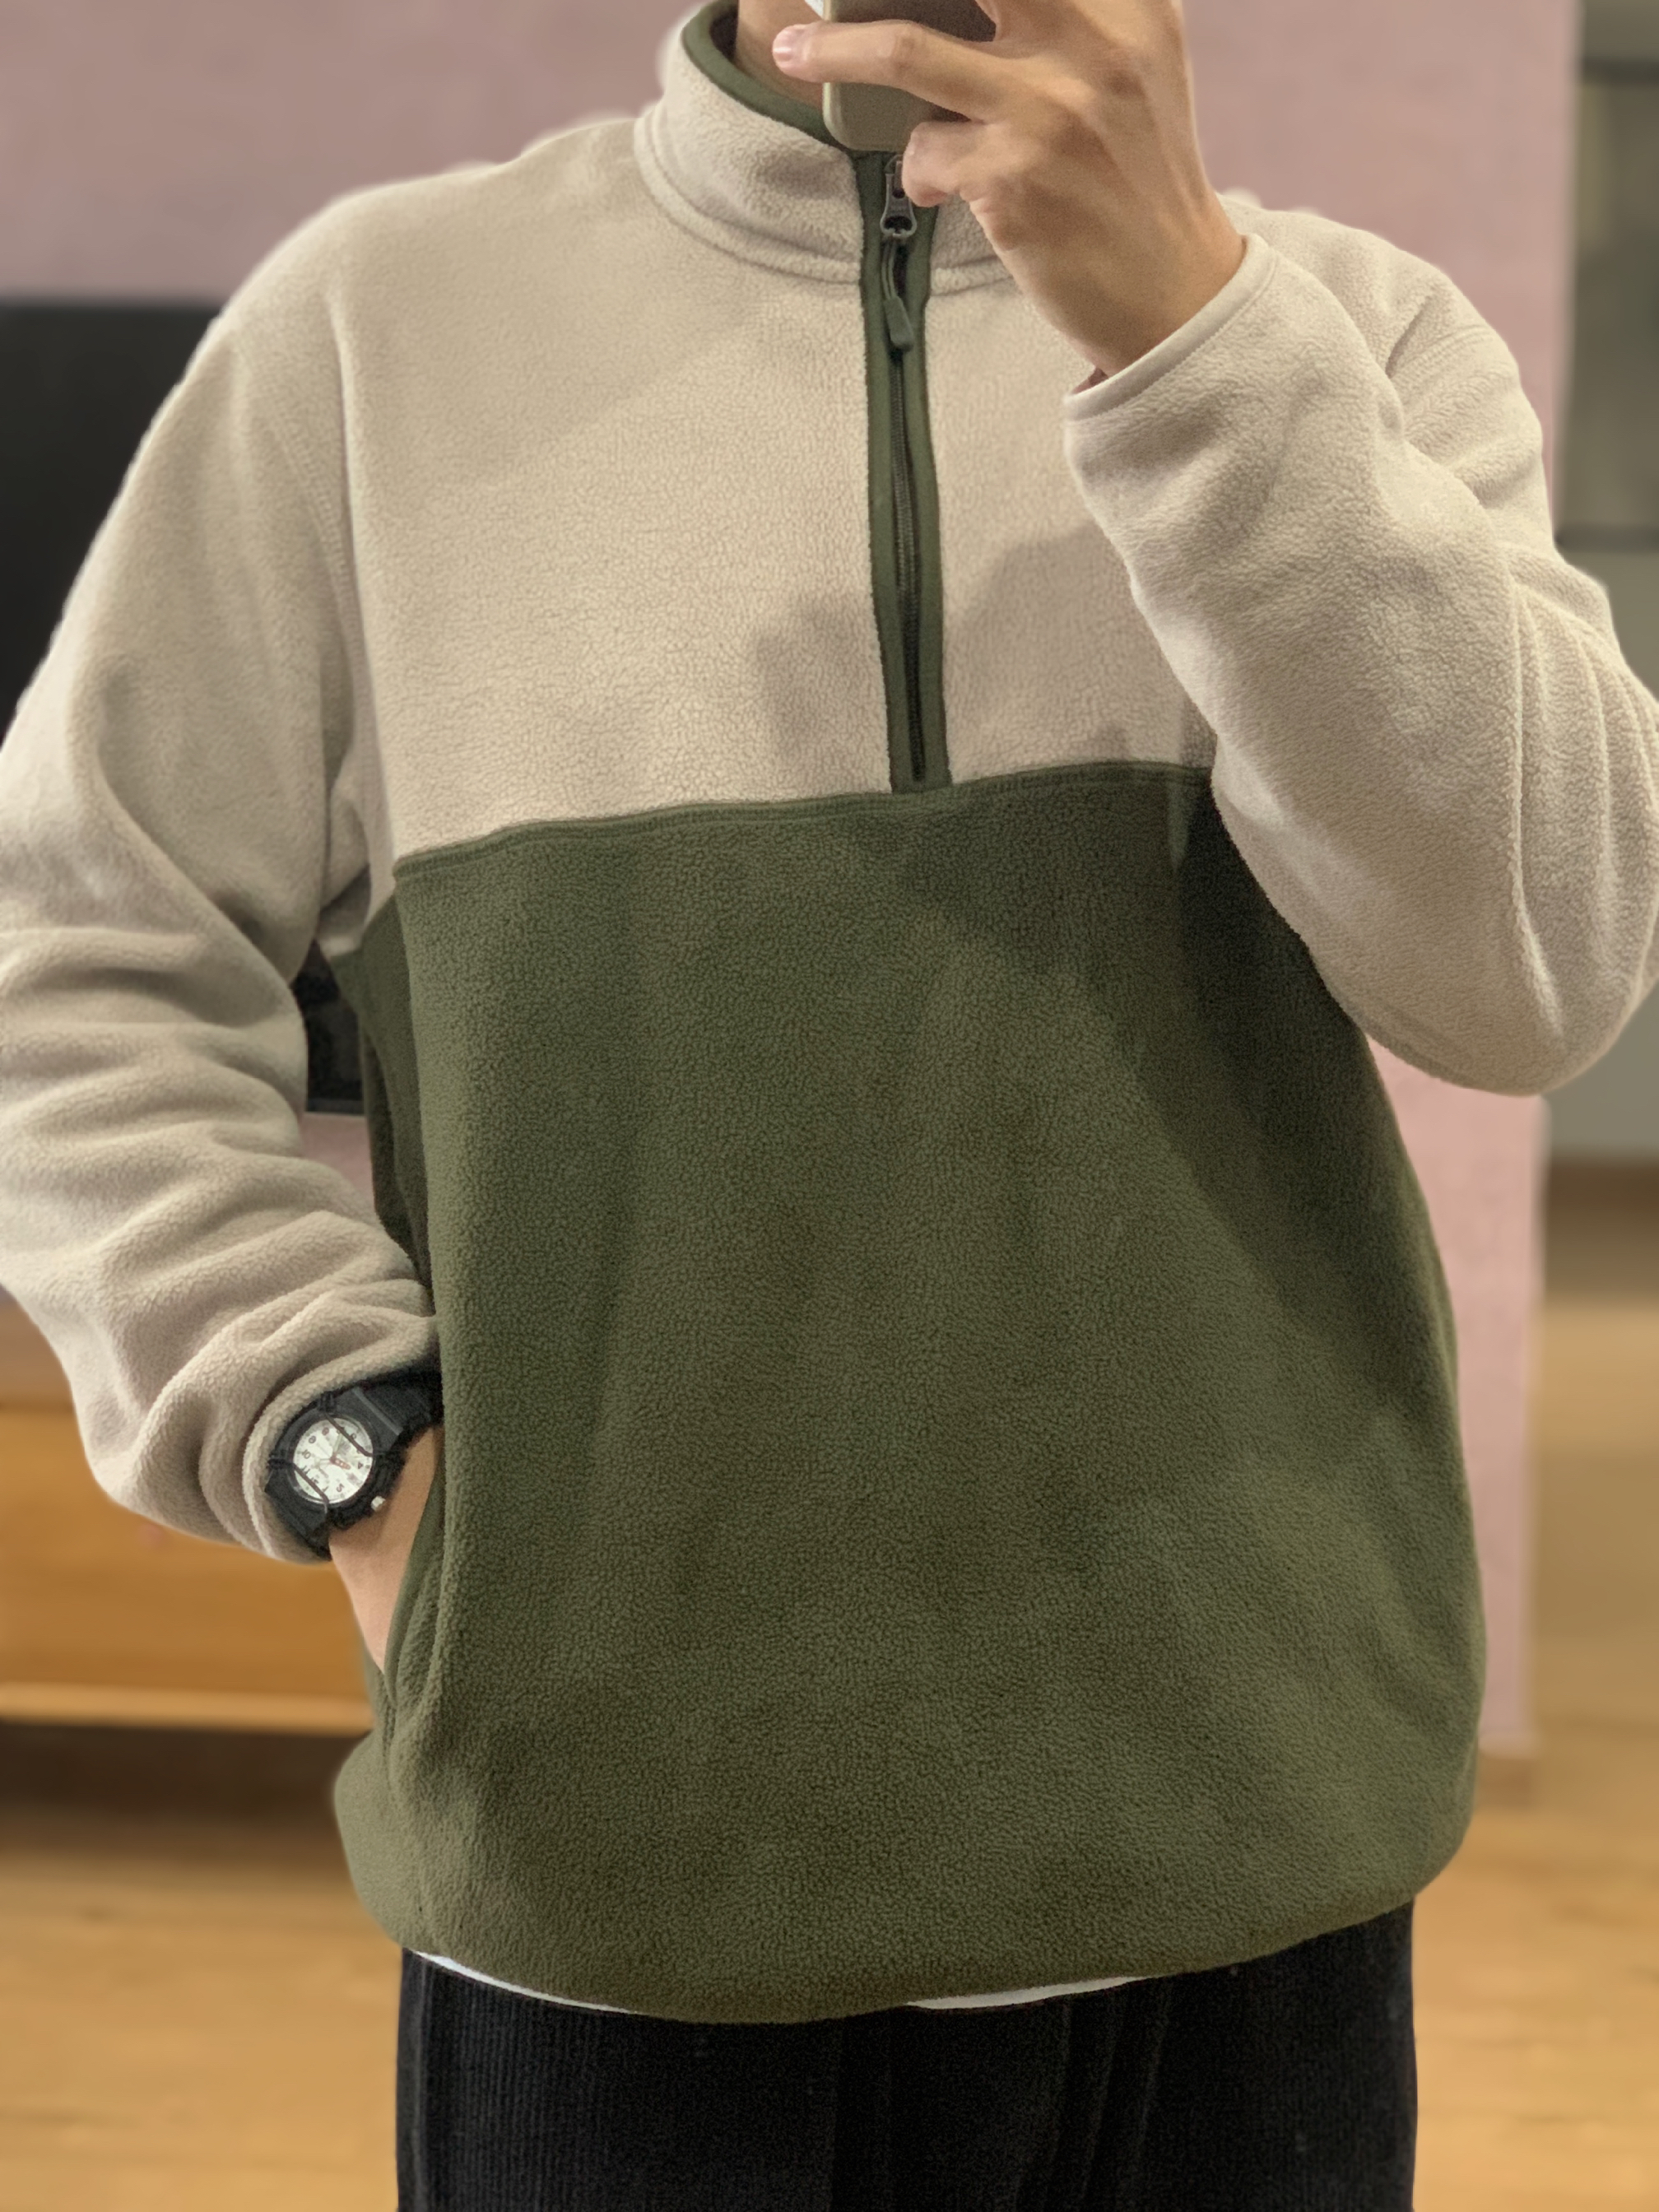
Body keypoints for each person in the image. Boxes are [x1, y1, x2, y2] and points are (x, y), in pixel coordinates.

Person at [1, 0, 1656, 2200]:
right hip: (617, 1873)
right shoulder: (371, 337)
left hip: (1259, 1847)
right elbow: (70, 957)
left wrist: (1195, 345)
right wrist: (337, 1438)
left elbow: (1539, 970)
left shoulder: (1363, 336)